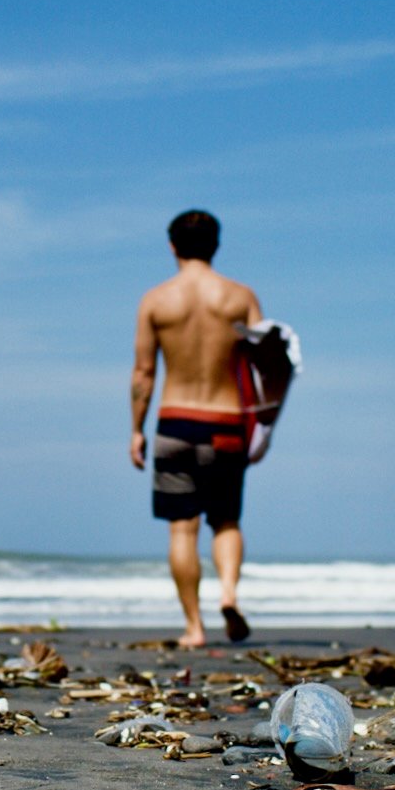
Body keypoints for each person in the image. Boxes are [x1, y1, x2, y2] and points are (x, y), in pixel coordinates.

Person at [130, 209, 264, 649]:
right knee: (225, 520)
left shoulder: (156, 300)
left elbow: (144, 373)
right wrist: (263, 426)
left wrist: (136, 428)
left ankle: (195, 627)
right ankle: (228, 593)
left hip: (176, 420)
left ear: (172, 246)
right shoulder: (240, 297)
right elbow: (265, 368)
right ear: (216, 244)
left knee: (182, 528)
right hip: (227, 421)